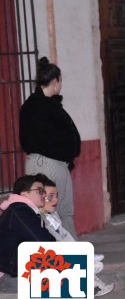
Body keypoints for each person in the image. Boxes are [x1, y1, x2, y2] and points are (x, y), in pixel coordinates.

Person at [19, 57, 81, 239]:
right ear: (55, 82)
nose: (61, 85)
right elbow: (46, 139)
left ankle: (73, 255)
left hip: (54, 163)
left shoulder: (42, 104)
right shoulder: (39, 106)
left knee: (64, 212)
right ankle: (63, 258)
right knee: (51, 212)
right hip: (48, 164)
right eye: (60, 81)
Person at [36, 174, 114, 296]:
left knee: (95, 264)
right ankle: (87, 285)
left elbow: (65, 236)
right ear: (39, 197)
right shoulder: (38, 218)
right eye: (50, 197)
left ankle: (91, 285)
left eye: (56, 196)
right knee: (89, 265)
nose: (55, 200)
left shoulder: (53, 215)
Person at [0, 175, 56, 292]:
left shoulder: (26, 210)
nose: (44, 195)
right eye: (40, 191)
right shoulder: (19, 210)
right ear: (24, 194)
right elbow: (43, 240)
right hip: (8, 276)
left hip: (19, 270)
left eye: (44, 191)